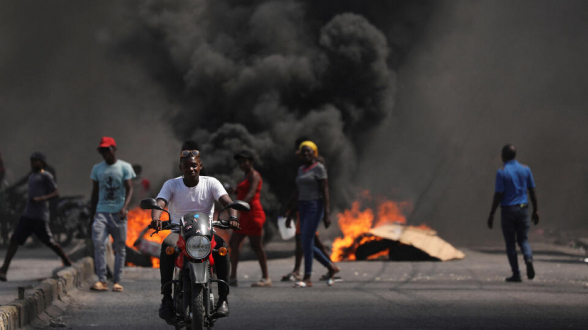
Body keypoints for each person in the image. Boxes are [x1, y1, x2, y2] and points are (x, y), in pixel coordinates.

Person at [152, 149, 240, 320]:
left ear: (200, 166)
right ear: (181, 168)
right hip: (178, 233)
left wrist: (233, 217)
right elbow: (159, 202)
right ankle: (166, 298)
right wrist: (156, 218)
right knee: (167, 246)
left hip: (206, 233)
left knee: (222, 248)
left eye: (194, 165)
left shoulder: (211, 183)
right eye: (186, 166)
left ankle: (223, 299)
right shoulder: (171, 184)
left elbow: (228, 202)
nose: (191, 169)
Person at [0, 152, 72, 281]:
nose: (33, 163)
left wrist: (41, 198)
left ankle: (67, 261)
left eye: (36, 161)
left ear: (42, 162)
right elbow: (23, 181)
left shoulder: (47, 176)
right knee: (14, 240)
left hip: (39, 216)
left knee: (50, 242)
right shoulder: (32, 175)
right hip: (27, 215)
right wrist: (12, 188)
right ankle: (4, 270)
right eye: (32, 161)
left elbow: (56, 193)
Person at [282, 138, 337, 283]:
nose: (306, 153)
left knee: (306, 241)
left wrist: (327, 213)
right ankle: (330, 267)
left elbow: (325, 191)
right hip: (302, 206)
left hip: (315, 206)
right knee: (307, 243)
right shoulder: (301, 170)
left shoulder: (319, 168)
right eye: (304, 151)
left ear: (314, 153)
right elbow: (297, 193)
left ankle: (307, 277)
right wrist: (289, 214)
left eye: (309, 151)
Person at [487, 144, 539, 282]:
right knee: (523, 240)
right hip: (523, 209)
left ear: (503, 156)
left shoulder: (502, 172)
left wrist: (492, 213)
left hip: (508, 210)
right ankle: (528, 259)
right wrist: (536, 210)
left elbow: (498, 194)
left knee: (510, 243)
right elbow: (532, 191)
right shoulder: (525, 169)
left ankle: (516, 274)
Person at [89, 137, 136, 292]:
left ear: (114, 149)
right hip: (102, 212)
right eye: (102, 151)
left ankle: (117, 281)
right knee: (99, 243)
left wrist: (125, 207)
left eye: (107, 150)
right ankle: (102, 280)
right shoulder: (97, 169)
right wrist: (91, 214)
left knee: (120, 247)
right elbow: (95, 193)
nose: (104, 153)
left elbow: (130, 189)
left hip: (119, 213)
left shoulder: (125, 167)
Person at [228, 150, 270, 287]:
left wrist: (240, 205)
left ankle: (266, 277)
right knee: (233, 243)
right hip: (245, 215)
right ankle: (232, 277)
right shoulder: (246, 176)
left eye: (244, 161)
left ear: (251, 162)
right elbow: (244, 191)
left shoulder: (254, 175)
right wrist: (234, 191)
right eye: (240, 162)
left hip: (253, 215)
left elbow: (251, 193)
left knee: (256, 246)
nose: (242, 164)